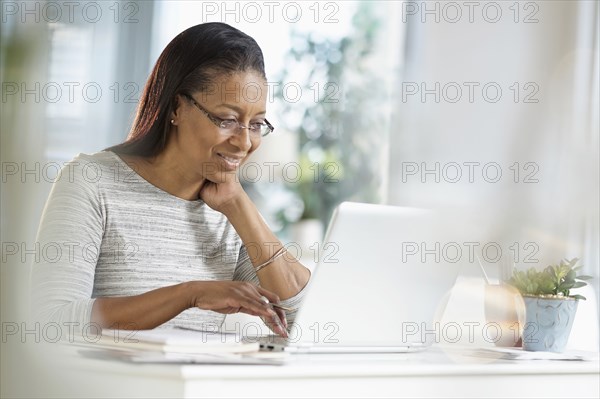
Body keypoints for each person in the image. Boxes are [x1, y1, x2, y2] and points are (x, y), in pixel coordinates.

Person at [30, 22, 311, 338]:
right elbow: (50, 322)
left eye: (257, 124)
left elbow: (302, 317)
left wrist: (239, 206)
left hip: (196, 387)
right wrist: (189, 295)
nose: (244, 142)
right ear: (177, 107)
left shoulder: (228, 212)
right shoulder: (91, 181)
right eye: (228, 120)